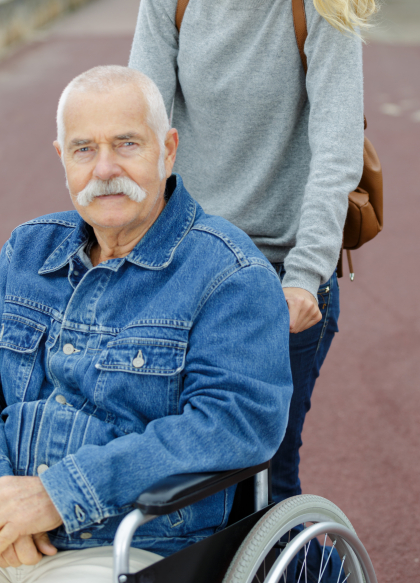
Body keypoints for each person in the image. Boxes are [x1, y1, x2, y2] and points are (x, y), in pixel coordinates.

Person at [129, 0, 376, 509]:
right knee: (171, 474)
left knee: (265, 474)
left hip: (278, 274)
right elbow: (140, 126)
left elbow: (336, 151)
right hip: (184, 266)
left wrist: (304, 279)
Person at [0, 65, 292, 582]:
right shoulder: (26, 251)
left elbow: (234, 424)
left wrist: (57, 495)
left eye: (127, 144)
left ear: (169, 148)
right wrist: (8, 508)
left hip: (139, 543)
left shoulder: (229, 275)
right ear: (62, 158)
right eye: (84, 149)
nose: (104, 168)